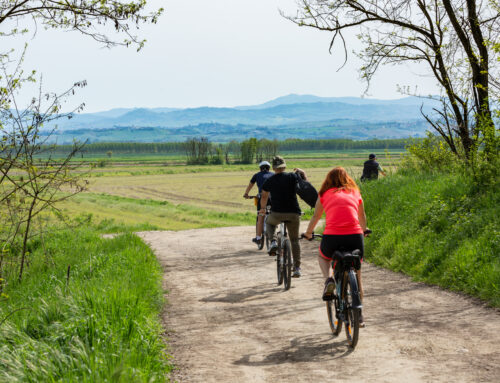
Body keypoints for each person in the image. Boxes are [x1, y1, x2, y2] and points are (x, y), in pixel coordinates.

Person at [303, 166, 368, 326]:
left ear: (328, 180)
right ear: (347, 179)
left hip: (332, 237)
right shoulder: (355, 192)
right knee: (357, 275)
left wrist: (308, 232)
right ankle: (359, 316)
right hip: (355, 236)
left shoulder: (324, 194)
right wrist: (364, 230)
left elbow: (316, 216)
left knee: (323, 257)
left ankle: (328, 280)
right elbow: (361, 215)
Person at [260, 156, 304, 278]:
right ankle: (296, 268)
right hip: (293, 213)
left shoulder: (269, 180)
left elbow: (264, 197)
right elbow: (305, 186)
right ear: (284, 166)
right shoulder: (292, 176)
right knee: (294, 240)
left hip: (277, 213)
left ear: (273, 168)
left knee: (269, 223)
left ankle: (273, 241)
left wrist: (263, 209)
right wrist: (302, 173)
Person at [243, 161, 274, 243]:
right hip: (273, 198)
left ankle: (258, 238)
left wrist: (246, 194)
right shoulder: (273, 175)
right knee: (273, 214)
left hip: (262, 197)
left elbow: (251, 185)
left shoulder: (257, 175)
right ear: (269, 168)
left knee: (260, 218)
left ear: (260, 168)